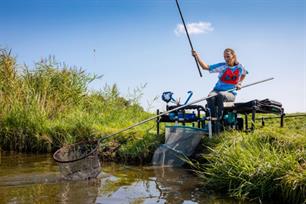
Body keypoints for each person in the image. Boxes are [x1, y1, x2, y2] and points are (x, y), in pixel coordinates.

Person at [192, 48, 248, 133]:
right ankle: (214, 121)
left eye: (228, 56)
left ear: (234, 56)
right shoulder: (223, 66)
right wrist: (197, 56)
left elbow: (244, 74)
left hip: (230, 93)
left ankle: (219, 120)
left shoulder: (240, 67)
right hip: (217, 90)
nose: (226, 59)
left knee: (221, 95)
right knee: (211, 97)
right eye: (225, 57)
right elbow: (205, 67)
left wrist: (240, 83)